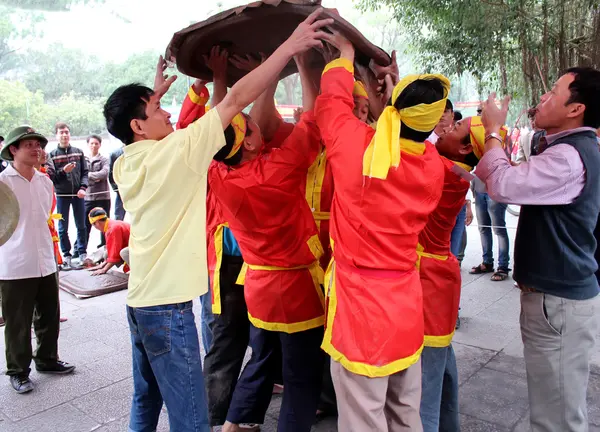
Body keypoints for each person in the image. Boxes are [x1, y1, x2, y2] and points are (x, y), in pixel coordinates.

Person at [103, 9, 331, 432]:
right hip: (177, 307)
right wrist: (292, 49)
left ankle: (237, 420)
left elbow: (222, 120)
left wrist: (153, 95)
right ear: (138, 125)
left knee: (146, 399)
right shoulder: (199, 158)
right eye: (157, 108)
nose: (168, 113)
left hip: (141, 300)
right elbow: (235, 104)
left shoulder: (147, 164)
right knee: (193, 414)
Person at [315, 31, 448, 431]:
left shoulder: (355, 144)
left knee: (362, 415)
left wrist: (343, 57)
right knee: (405, 410)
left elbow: (330, 106)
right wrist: (393, 96)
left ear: (394, 109)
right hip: (405, 303)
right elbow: (406, 131)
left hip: (360, 307)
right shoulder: (433, 168)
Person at [209, 50, 328, 432]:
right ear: (248, 143)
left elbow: (218, 127)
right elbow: (313, 118)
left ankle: (237, 422)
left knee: (262, 355)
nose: (258, 124)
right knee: (300, 375)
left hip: (257, 285)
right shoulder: (279, 167)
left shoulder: (217, 174)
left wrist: (220, 79)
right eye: (251, 125)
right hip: (297, 288)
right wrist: (305, 68)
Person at [476, 67, 600, 432]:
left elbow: (502, 185)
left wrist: (494, 132)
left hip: (558, 303)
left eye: (553, 91)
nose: (541, 98)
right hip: (556, 301)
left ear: (576, 108)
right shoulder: (569, 150)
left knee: (556, 420)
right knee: (554, 408)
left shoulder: (568, 157)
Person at [419, 116, 502, 431]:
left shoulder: (439, 168)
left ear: (467, 147)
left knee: (423, 387)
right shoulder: (456, 171)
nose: (445, 127)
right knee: (441, 362)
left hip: (430, 284)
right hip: (440, 281)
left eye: (455, 128)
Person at [0, 126, 75, 394]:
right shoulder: (3, 183)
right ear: (13, 150)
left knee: (49, 315)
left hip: (44, 258)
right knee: (17, 321)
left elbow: (46, 218)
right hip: (14, 262)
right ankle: (18, 371)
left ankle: (47, 359)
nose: (36, 149)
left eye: (38, 144)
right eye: (28, 144)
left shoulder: (45, 182)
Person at [469, 128, 511, 281]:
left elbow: (507, 160)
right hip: (479, 188)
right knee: (483, 228)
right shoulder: (474, 135)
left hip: (496, 189)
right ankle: (487, 262)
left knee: (498, 228)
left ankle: (503, 266)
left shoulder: (503, 135)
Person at [46, 122, 89, 265]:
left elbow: (85, 172)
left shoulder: (78, 151)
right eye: (61, 132)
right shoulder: (51, 155)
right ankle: (66, 254)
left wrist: (83, 187)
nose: (64, 135)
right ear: (56, 135)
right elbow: (51, 178)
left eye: (66, 132)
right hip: (61, 196)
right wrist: (64, 171)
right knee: (62, 227)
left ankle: (82, 252)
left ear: (69, 134)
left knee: (81, 224)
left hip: (78, 195)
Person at [84, 134, 111, 249]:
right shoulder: (83, 159)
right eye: (92, 143)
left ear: (100, 145)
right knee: (85, 224)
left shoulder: (104, 159)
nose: (94, 145)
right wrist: (95, 176)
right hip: (88, 196)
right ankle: (81, 249)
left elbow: (104, 174)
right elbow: (81, 175)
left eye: (96, 143)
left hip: (103, 196)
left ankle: (106, 246)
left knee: (104, 223)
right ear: (88, 145)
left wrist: (88, 175)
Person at [87, 207, 130, 275]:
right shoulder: (110, 224)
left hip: (138, 248)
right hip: (129, 245)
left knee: (124, 253)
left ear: (97, 223)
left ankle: (137, 272)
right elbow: (112, 249)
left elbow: (115, 254)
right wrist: (102, 265)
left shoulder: (112, 229)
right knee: (107, 253)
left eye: (94, 225)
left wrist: (104, 269)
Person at [108, 146, 125, 221]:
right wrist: (116, 188)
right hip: (120, 189)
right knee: (119, 215)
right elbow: (111, 173)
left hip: (136, 189)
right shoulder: (114, 154)